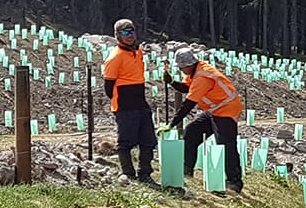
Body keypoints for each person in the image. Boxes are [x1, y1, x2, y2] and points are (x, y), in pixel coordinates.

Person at [168, 48, 244, 192]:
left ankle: (234, 182)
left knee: (225, 145)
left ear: (189, 65)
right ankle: (187, 169)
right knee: (191, 133)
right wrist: (172, 82)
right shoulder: (195, 71)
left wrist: (172, 124)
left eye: (182, 68)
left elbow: (188, 104)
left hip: (226, 109)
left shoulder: (202, 77)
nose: (181, 70)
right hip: (214, 109)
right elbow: (186, 88)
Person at [102, 19, 155, 183]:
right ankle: (128, 173)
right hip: (125, 105)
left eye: (131, 31)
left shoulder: (138, 52)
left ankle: (145, 173)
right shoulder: (115, 57)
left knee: (149, 140)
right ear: (118, 35)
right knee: (126, 141)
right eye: (125, 33)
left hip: (140, 102)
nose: (130, 36)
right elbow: (108, 86)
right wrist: (120, 102)